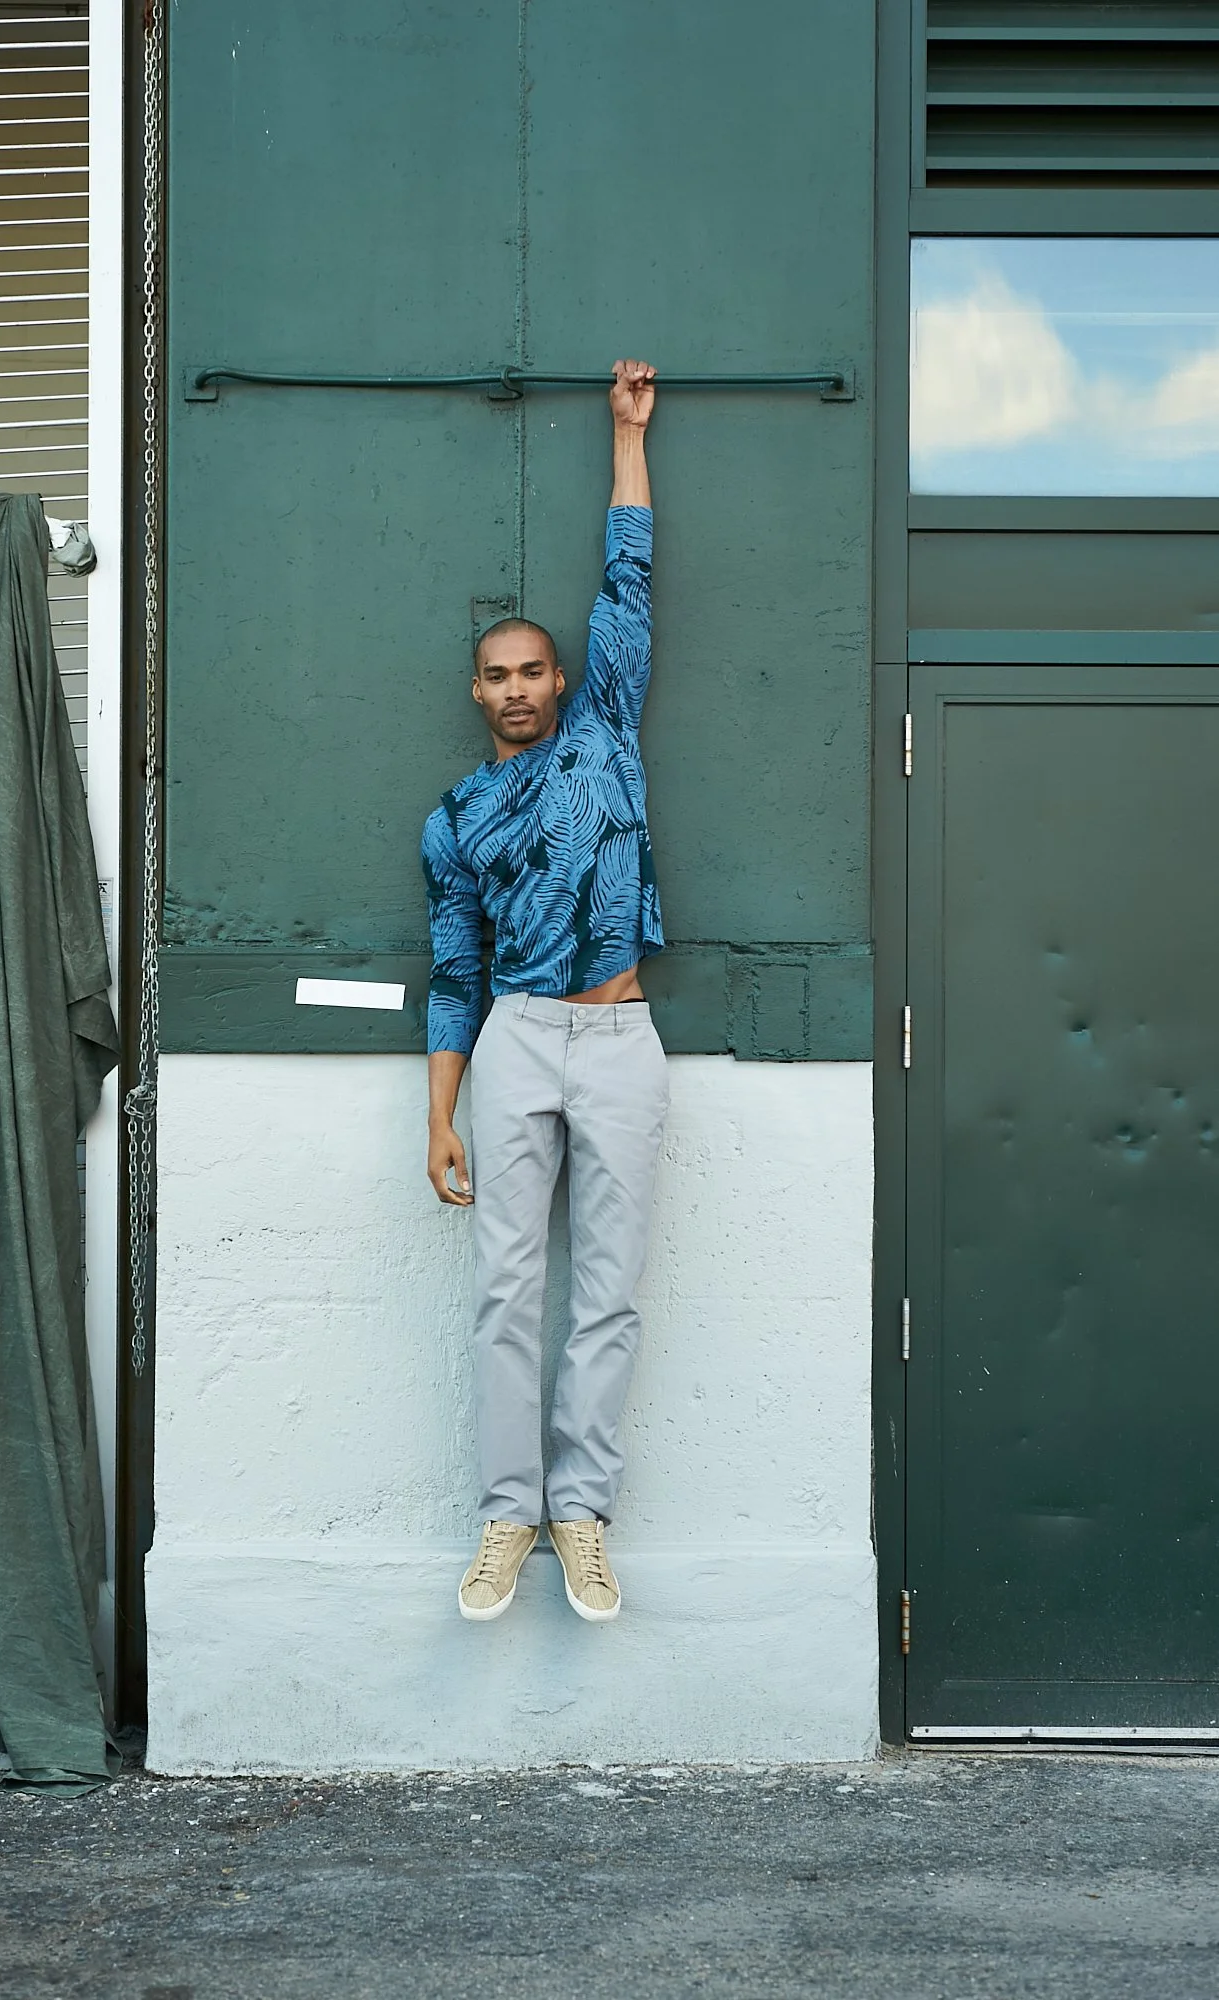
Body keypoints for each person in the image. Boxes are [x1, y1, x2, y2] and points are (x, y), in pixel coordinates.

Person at [421, 357, 668, 1626]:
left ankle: (584, 1516)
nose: (518, 685)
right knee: (509, 1288)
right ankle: (507, 1514)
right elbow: (451, 973)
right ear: (478, 691)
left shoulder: (604, 732)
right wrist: (439, 1112)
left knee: (608, 1286)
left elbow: (627, 585)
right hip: (514, 1036)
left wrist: (627, 438)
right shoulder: (455, 819)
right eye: (497, 674)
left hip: (621, 1032)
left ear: (560, 680)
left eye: (534, 668)